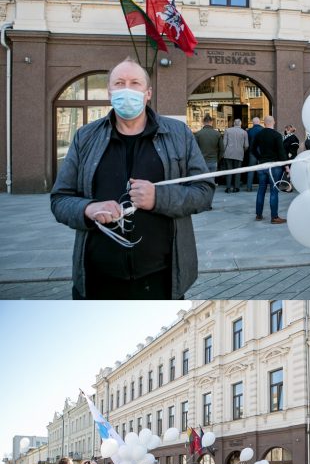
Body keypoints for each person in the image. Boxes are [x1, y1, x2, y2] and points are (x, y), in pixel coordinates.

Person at [50, 59, 213, 299]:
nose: (127, 89)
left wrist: (159, 198)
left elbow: (204, 191)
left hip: (163, 277)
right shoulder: (85, 137)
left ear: (147, 93)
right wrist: (88, 208)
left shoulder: (179, 134)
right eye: (119, 83)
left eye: (135, 83)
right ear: (109, 92)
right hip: (97, 278)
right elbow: (59, 199)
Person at [250, 115, 288, 224]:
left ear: (264, 123)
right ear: (274, 122)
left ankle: (258, 215)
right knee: (273, 191)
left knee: (261, 190)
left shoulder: (259, 134)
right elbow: (281, 152)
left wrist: (259, 158)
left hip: (262, 165)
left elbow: (252, 149)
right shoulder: (277, 135)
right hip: (274, 166)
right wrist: (286, 166)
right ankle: (274, 217)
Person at [222, 118, 249, 193]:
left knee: (229, 170)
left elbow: (224, 144)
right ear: (240, 124)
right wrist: (243, 151)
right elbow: (246, 145)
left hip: (228, 153)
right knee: (237, 171)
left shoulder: (227, 130)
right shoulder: (244, 132)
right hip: (239, 153)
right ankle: (236, 187)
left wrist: (223, 152)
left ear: (234, 123)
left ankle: (228, 188)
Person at [194, 114, 224, 179]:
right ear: (211, 122)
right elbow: (222, 149)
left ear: (203, 122)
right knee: (212, 181)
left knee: (203, 181)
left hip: (202, 161)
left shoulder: (198, 134)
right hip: (213, 161)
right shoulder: (217, 134)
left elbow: (194, 150)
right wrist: (217, 160)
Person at [244, 116, 264, 190]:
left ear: (253, 122)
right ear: (259, 122)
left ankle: (249, 187)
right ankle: (261, 187)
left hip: (252, 152)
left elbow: (247, 142)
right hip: (261, 153)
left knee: (251, 170)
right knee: (261, 170)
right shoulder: (263, 130)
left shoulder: (249, 131)